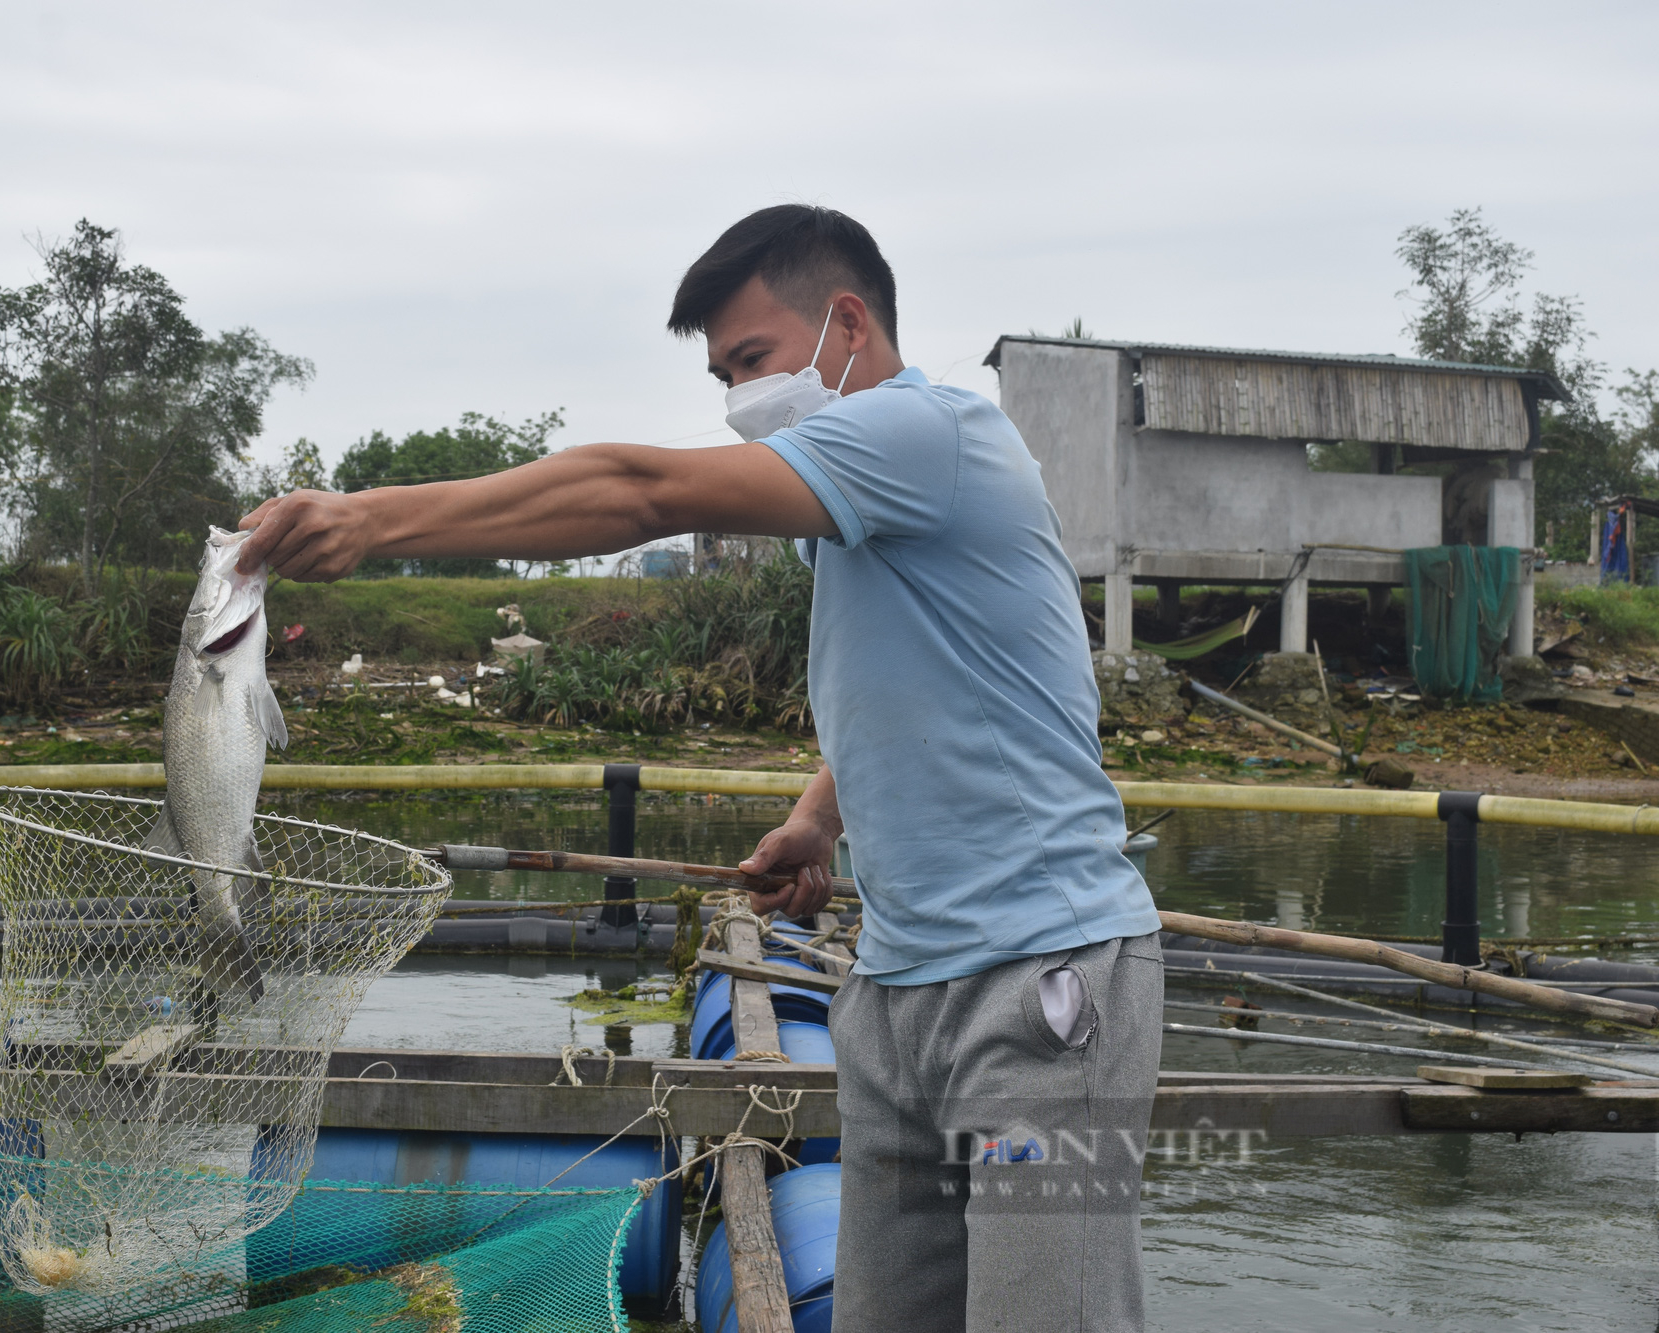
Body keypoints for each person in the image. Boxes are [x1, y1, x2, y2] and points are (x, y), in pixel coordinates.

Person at [239, 204, 1163, 1332]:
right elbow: (933, 680)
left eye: (752, 361)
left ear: (846, 320)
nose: (737, 399)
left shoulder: (930, 434)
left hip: (1036, 988)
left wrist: (375, 519)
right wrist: (816, 821)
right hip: (901, 982)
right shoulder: (865, 505)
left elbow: (642, 490)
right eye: (721, 375)